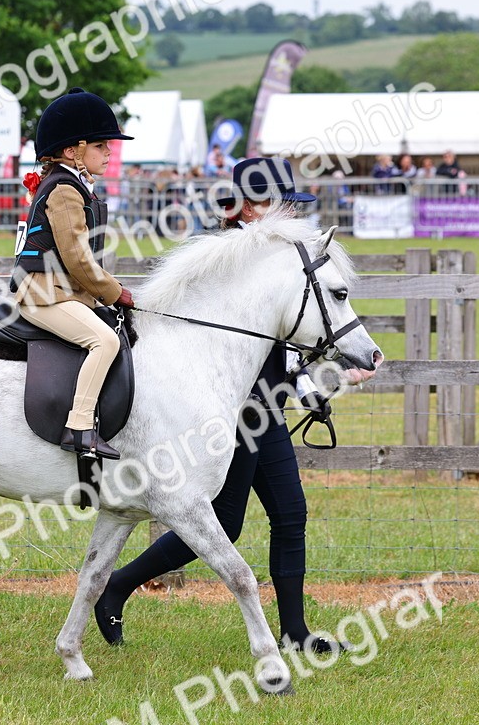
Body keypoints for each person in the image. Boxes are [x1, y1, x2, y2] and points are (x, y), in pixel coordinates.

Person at [93, 157, 346, 654]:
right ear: (252, 207)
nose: (292, 211)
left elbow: (284, 338)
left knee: (291, 513)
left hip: (265, 402)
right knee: (225, 522)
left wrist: (307, 389)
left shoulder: (276, 255)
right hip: (224, 410)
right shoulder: (223, 258)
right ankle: (116, 586)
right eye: (282, 202)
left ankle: (295, 631)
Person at [12, 88, 136, 459]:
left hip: (59, 290)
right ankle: (79, 426)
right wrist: (115, 292)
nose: (109, 152)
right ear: (73, 151)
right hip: (43, 294)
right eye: (101, 146)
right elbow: (79, 260)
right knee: (105, 341)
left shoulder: (73, 185)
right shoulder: (65, 190)